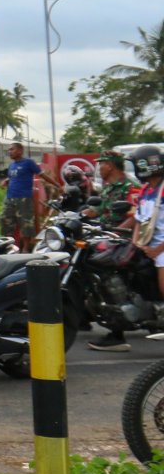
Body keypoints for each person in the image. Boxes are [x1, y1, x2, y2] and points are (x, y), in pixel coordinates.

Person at [91, 146, 163, 353]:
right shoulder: (145, 190)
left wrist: (157, 250)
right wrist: (136, 244)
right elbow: (139, 220)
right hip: (146, 245)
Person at [1, 143, 58, 252]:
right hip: (10, 198)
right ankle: (9, 245)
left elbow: (43, 175)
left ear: (20, 151)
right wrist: (6, 181)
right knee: (4, 219)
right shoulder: (11, 165)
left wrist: (57, 185)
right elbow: (12, 177)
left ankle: (26, 248)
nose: (9, 151)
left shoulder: (29, 163)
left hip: (24, 198)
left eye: (12, 149)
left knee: (26, 223)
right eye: (9, 150)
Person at [83, 150, 140, 231]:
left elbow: (135, 217)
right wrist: (75, 217)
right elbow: (96, 210)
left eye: (101, 164)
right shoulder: (108, 187)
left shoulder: (132, 187)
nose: (99, 169)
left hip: (123, 237)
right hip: (105, 232)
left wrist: (116, 233)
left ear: (109, 166)